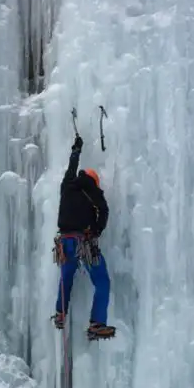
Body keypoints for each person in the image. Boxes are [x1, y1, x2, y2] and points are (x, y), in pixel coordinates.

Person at [53, 135, 115, 340]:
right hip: (83, 242)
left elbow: (71, 167)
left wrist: (76, 148)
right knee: (102, 281)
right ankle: (97, 323)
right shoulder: (93, 190)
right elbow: (104, 211)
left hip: (65, 242)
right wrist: (96, 231)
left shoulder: (67, 184)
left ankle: (60, 314)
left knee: (66, 278)